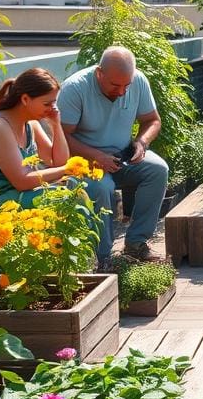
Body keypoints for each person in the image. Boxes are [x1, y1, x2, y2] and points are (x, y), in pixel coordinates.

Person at [57, 46, 168, 266]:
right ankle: (103, 259)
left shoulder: (138, 81)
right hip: (86, 162)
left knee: (158, 170)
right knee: (102, 188)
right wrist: (97, 156)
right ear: (99, 73)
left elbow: (153, 120)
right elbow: (60, 137)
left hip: (123, 156)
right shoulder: (75, 88)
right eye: (115, 85)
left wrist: (141, 143)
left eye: (127, 85)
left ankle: (136, 245)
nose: (122, 92)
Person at [0, 68, 71, 226]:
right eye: (47, 103)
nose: (52, 108)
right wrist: (69, 169)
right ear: (25, 99)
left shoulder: (31, 125)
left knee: (74, 187)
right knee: (61, 196)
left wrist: (56, 125)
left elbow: (58, 162)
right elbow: (22, 181)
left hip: (10, 195)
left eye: (54, 102)